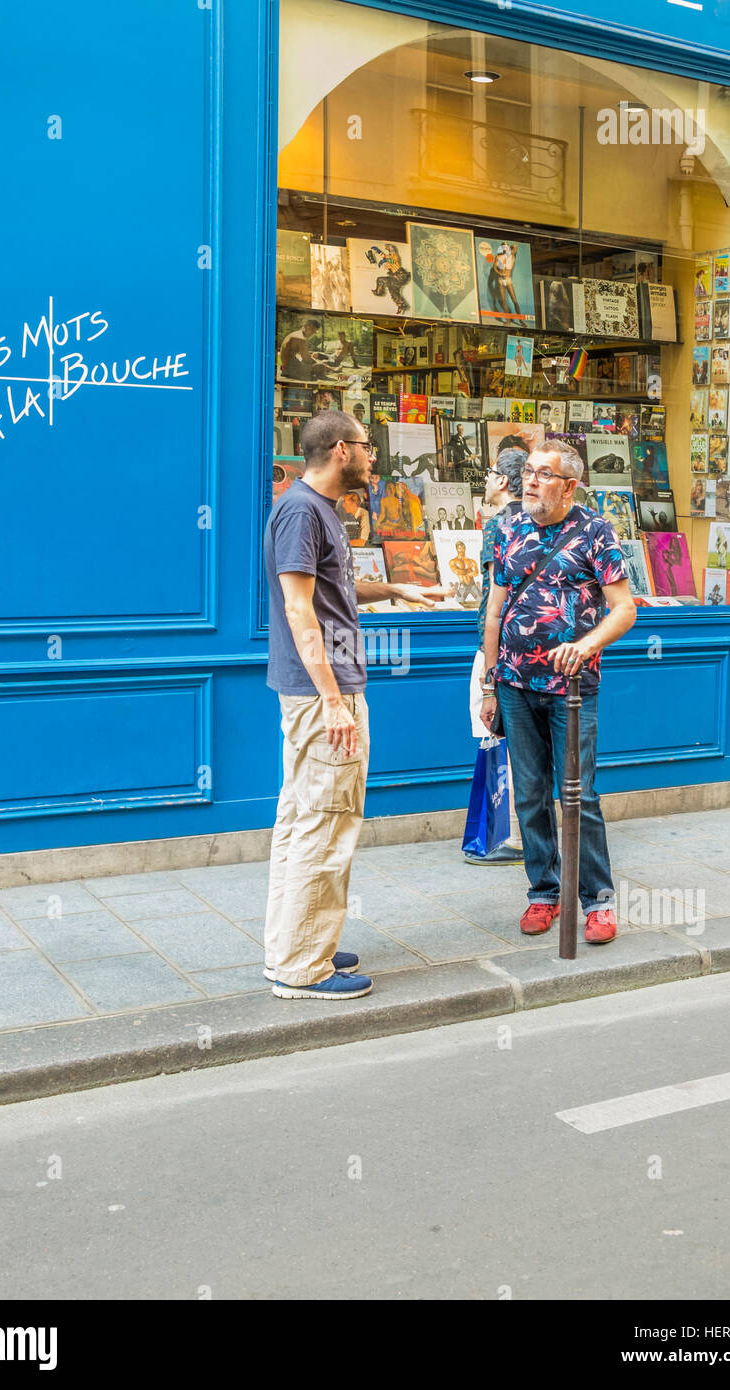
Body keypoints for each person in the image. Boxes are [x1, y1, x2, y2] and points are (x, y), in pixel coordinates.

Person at [263, 410, 448, 999]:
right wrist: (334, 701)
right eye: (367, 447)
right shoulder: (301, 510)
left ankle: (296, 943)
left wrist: (394, 587)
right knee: (327, 822)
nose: (374, 457)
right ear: (343, 450)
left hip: (321, 689)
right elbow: (299, 611)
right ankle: (303, 969)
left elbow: (331, 588)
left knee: (302, 818)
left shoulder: (314, 509)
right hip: (325, 691)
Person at [481, 439, 637, 945]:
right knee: (529, 796)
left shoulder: (596, 532)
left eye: (543, 474)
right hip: (514, 685)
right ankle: (544, 893)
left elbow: (624, 609)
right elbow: (496, 609)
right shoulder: (509, 528)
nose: (530, 481)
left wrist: (585, 645)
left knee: (579, 797)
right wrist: (488, 682)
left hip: (572, 688)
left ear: (569, 485)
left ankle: (599, 902)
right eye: (527, 472)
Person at [466, 448, 527, 865]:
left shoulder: (498, 524)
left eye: (489, 473)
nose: (486, 480)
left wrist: (490, 670)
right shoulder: (538, 519)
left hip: (498, 645)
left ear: (503, 481)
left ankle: (511, 837)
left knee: (495, 733)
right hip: (528, 646)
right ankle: (527, 833)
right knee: (523, 741)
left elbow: (495, 600)